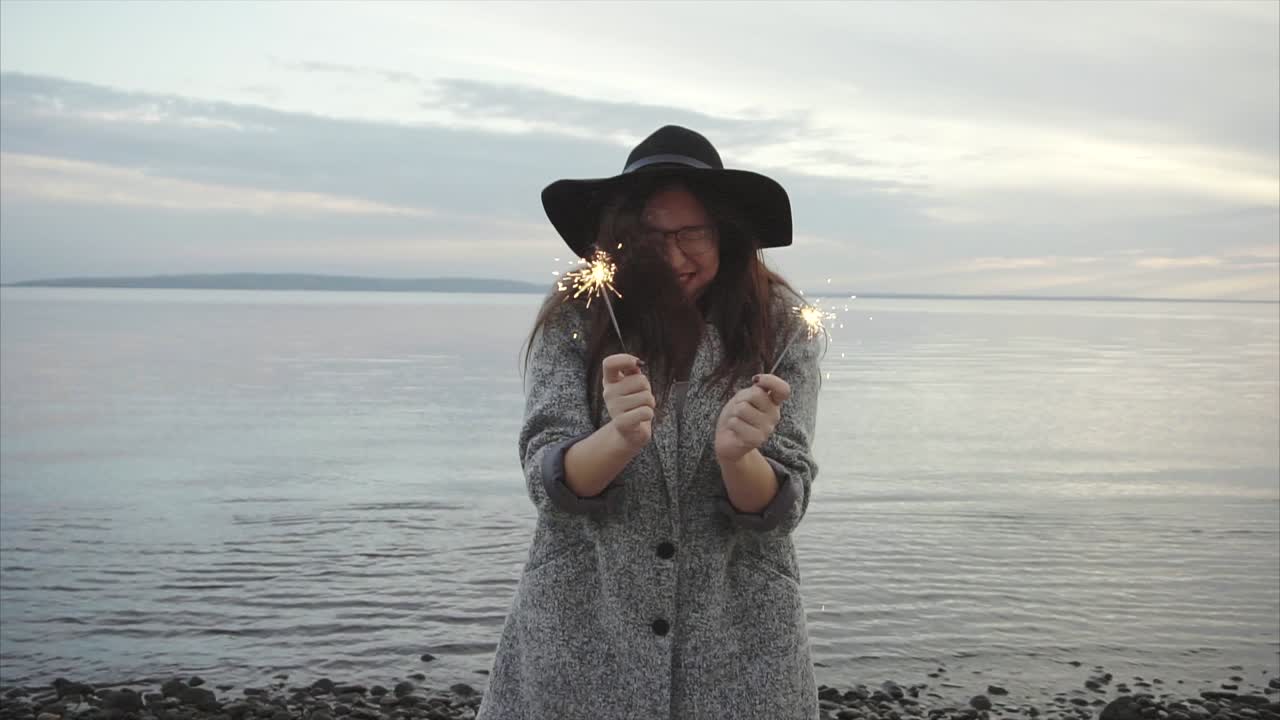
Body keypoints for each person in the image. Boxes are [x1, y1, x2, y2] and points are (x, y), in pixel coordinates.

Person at [476, 125, 822, 720]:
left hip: (741, 645)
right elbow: (548, 482)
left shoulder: (781, 326)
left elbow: (782, 508)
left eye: (693, 233)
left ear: (727, 233)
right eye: (651, 236)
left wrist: (741, 458)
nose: (673, 254)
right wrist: (617, 439)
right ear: (621, 239)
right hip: (583, 635)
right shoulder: (577, 319)